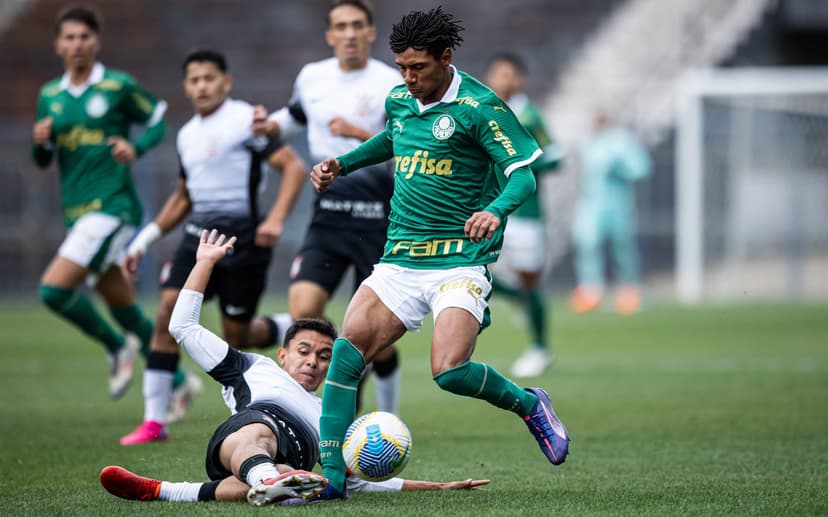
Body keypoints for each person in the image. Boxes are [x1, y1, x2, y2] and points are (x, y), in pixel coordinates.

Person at [302, 7, 571, 502]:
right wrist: (343, 162)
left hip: (459, 260)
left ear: (446, 57)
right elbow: (393, 139)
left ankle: (529, 404)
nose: (408, 78)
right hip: (401, 256)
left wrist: (494, 210)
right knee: (347, 351)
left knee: (449, 371)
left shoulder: (480, 106)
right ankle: (334, 480)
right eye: (401, 67)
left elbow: (523, 175)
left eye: (418, 68)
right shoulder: (402, 98)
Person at [100, 229, 490, 505]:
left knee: (288, 477)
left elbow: (359, 485)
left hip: (289, 463)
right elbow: (182, 327)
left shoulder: (331, 418)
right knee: (258, 435)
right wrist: (205, 263)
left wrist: (439, 488)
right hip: (252, 434)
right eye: (304, 351)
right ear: (282, 355)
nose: (313, 362)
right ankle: (273, 480)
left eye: (324, 356)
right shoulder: (251, 368)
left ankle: (164, 490)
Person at [119, 49, 307, 445]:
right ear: (186, 87)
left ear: (226, 82)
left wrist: (274, 220)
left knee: (237, 335)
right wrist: (143, 241)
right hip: (197, 237)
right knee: (167, 316)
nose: (202, 86)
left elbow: (293, 167)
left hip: (243, 240)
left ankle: (282, 325)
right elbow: (184, 198)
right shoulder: (187, 134)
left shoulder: (247, 121)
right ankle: (154, 422)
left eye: (209, 78)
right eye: (194, 80)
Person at [253, 0, 403, 415]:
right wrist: (272, 125)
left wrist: (358, 133)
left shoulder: (392, 82)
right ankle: (310, 409)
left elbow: (406, 147)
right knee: (304, 311)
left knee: (379, 336)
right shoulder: (312, 77)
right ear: (329, 34)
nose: (350, 33)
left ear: (371, 32)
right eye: (342, 26)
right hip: (330, 215)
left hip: (379, 217)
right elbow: (298, 114)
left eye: (358, 25)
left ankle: (387, 418)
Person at [31, 5, 169, 399]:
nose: (77, 44)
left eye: (85, 37)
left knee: (53, 291)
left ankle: (115, 346)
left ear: (96, 42)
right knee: (123, 306)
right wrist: (40, 143)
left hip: (113, 207)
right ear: (58, 44)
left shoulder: (117, 85)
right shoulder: (50, 95)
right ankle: (177, 384)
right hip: (77, 213)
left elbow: (158, 116)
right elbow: (42, 161)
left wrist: (136, 146)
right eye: (70, 37)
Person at [484, 52, 563, 378]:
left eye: (508, 74)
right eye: (497, 73)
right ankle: (515, 297)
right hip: (488, 209)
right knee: (472, 268)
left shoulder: (530, 117)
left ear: (519, 80)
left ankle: (540, 348)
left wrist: (523, 163)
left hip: (526, 213)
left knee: (530, 281)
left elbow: (556, 157)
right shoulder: (483, 111)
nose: (502, 80)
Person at [569, 111, 652, 315]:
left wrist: (620, 166)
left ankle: (628, 290)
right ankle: (591, 290)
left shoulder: (621, 141)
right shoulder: (589, 143)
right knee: (587, 244)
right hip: (591, 204)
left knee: (623, 248)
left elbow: (642, 168)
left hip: (618, 203)